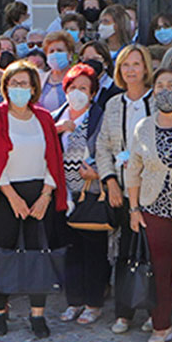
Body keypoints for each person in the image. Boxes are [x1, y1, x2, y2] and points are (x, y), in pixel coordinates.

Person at [0, 60, 68, 338]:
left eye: (24, 83)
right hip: (5, 194)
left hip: (40, 193)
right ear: (5, 87)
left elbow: (53, 158)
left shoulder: (44, 117)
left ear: (34, 87)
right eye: (14, 83)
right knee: (2, 253)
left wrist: (47, 193)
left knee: (39, 253)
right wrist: (11, 195)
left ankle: (38, 315)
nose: (19, 88)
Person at [125, 65, 172, 342]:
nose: (165, 91)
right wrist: (133, 208)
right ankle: (160, 325)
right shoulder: (143, 127)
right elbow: (133, 169)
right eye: (159, 86)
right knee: (158, 269)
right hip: (153, 208)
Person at [95, 44, 155, 334]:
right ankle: (124, 313)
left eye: (136, 64)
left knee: (152, 253)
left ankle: (154, 311)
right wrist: (108, 180)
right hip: (120, 189)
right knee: (125, 253)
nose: (131, 70)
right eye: (126, 65)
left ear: (145, 68)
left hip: (151, 191)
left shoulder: (157, 101)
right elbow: (104, 145)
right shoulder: (114, 103)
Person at [52, 64, 108, 326]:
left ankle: (93, 303)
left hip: (91, 194)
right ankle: (74, 300)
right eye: (73, 87)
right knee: (70, 251)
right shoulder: (55, 118)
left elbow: (111, 148)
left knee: (93, 251)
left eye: (84, 88)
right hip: (62, 195)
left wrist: (97, 171)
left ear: (93, 92)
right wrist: (58, 130)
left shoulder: (100, 117)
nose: (77, 93)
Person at [38, 30, 77, 111]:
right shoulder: (40, 79)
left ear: (69, 54)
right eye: (51, 51)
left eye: (59, 50)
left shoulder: (77, 79)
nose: (55, 54)